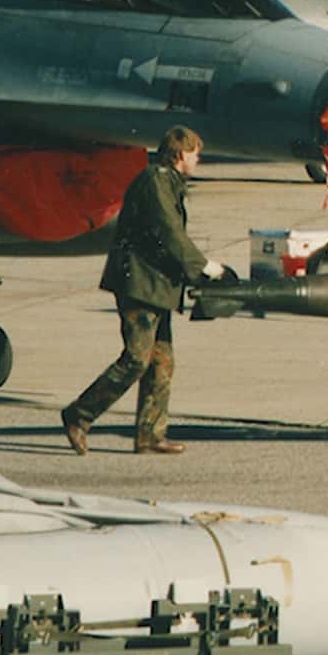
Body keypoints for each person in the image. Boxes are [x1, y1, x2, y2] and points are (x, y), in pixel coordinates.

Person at [60, 127, 228, 457]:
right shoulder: (156, 182)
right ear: (180, 154)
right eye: (195, 154)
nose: (198, 160)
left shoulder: (168, 183)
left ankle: (150, 435)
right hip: (138, 284)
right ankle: (79, 415)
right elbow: (169, 232)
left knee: (161, 362)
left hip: (156, 285)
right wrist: (204, 266)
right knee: (137, 359)